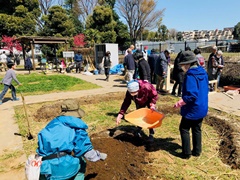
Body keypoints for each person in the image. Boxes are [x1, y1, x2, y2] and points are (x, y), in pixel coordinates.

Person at [37, 99, 107, 179]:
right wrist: (98, 156)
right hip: (64, 168)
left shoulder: (52, 124)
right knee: (82, 162)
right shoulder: (77, 128)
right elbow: (86, 151)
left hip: (45, 168)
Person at [173, 51, 208, 159]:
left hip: (193, 108)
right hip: (202, 106)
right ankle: (197, 151)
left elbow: (192, 95)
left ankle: (186, 153)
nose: (182, 67)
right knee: (197, 129)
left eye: (183, 65)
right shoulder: (203, 72)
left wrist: (181, 102)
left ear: (188, 64)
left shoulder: (190, 75)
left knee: (184, 128)